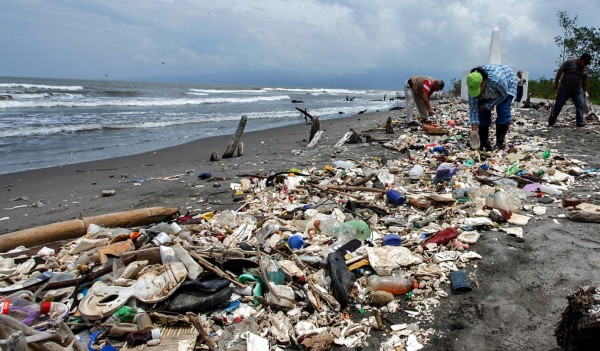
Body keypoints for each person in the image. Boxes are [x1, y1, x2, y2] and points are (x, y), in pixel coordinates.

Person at [466, 64, 517, 150]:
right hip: (490, 91)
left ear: (483, 83)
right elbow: (473, 110)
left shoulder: (497, 81)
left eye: (478, 90)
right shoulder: (473, 84)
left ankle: (500, 142)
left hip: (507, 85)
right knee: (481, 111)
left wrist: (487, 105)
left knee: (502, 109)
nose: (476, 93)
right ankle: (484, 141)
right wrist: (474, 132)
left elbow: (503, 96)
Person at [548, 53, 592, 128]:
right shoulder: (570, 62)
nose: (585, 65)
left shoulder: (586, 68)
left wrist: (584, 91)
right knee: (559, 104)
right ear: (581, 59)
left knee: (580, 105)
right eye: (585, 62)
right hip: (565, 88)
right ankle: (551, 121)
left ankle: (580, 122)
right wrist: (556, 83)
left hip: (577, 90)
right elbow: (560, 71)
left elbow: (585, 80)